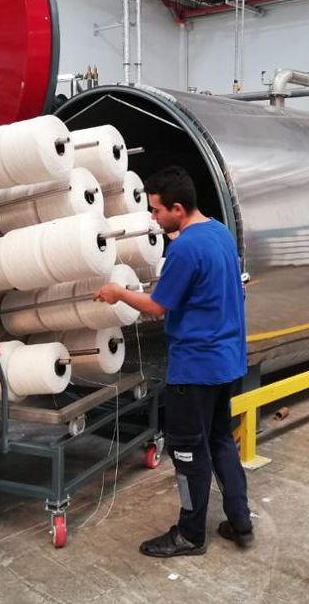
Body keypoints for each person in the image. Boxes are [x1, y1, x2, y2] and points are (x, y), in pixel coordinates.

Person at [94, 165, 253, 557]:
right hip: (226, 362)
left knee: (187, 451)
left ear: (177, 209)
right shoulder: (218, 232)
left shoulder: (184, 249)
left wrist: (119, 292)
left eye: (157, 210)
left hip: (195, 367)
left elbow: (157, 307)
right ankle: (240, 520)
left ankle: (190, 534)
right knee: (220, 440)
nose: (152, 217)